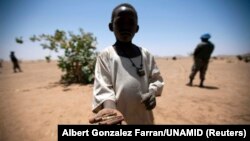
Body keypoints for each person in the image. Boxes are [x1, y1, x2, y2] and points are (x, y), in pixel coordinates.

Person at [90, 3, 164, 124]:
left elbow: (156, 79)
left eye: (131, 22)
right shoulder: (106, 55)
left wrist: (152, 92)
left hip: (144, 117)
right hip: (119, 120)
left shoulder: (146, 54)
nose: (126, 27)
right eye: (120, 22)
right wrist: (111, 113)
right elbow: (104, 89)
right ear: (111, 26)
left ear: (137, 28)